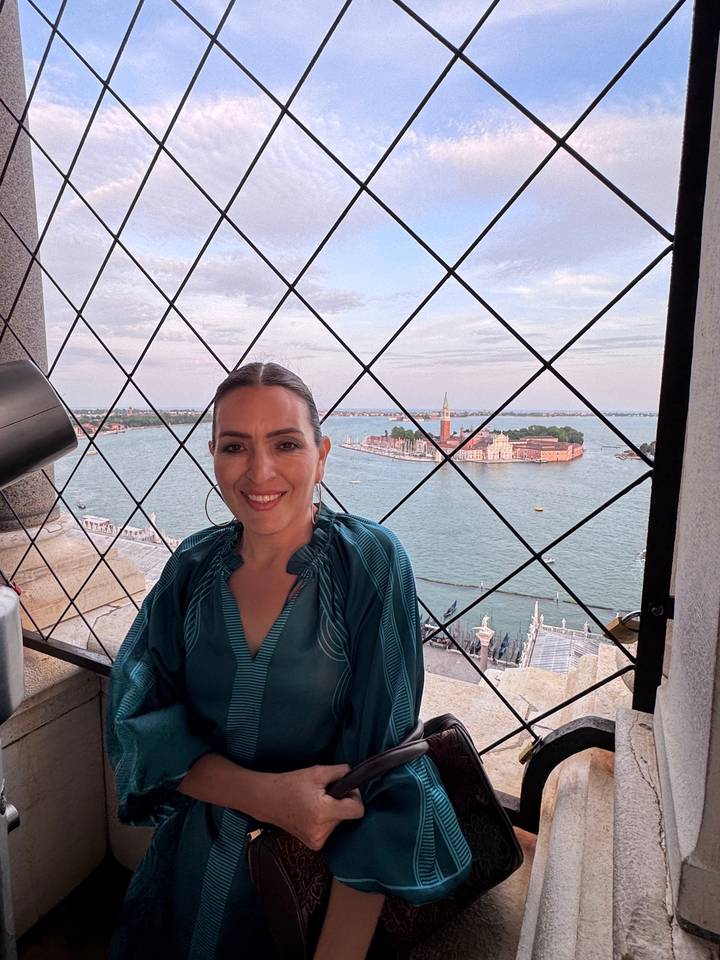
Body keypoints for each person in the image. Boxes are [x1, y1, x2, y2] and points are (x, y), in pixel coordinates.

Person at [106, 362, 472, 960]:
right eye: (235, 446)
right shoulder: (189, 570)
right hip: (186, 875)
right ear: (214, 456)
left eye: (285, 443)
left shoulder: (370, 564)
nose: (259, 470)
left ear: (322, 455)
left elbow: (384, 771)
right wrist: (267, 796)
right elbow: (141, 721)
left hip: (305, 895)